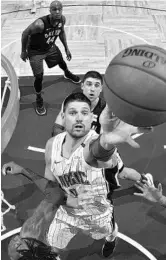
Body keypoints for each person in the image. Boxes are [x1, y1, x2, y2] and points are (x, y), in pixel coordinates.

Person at [44, 92, 153, 258]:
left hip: (97, 213)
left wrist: (108, 141)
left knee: (107, 232)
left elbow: (99, 151)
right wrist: (62, 199)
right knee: (52, 247)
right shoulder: (52, 144)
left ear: (91, 118)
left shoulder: (93, 145)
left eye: (85, 113)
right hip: (66, 212)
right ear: (63, 116)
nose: (79, 118)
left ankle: (111, 238)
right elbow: (50, 182)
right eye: (73, 113)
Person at [21, 0, 81, 116]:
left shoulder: (62, 19)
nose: (57, 12)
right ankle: (39, 98)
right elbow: (24, 33)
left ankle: (67, 73)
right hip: (35, 51)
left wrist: (66, 48)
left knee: (61, 61)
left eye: (59, 9)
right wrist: (23, 51)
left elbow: (61, 32)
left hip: (49, 47)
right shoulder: (40, 24)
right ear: (49, 11)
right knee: (39, 76)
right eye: (54, 9)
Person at [2, 162, 64, 260]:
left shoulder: (52, 250)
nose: (15, 239)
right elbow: (55, 194)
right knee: (50, 158)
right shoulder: (32, 230)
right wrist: (23, 170)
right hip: (78, 196)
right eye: (16, 244)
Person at [52, 70, 106, 136]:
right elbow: (57, 128)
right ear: (82, 86)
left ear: (101, 88)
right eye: (89, 84)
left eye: (96, 85)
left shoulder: (105, 107)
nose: (92, 89)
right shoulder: (71, 101)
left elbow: (103, 137)